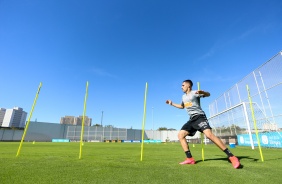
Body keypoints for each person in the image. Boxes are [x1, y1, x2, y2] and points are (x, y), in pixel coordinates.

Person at [166, 79, 240, 169]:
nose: (181, 87)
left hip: (200, 117)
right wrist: (171, 103)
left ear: (188, 86)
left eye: (183, 85)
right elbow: (182, 106)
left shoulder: (194, 93)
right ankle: (190, 158)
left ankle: (232, 156)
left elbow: (208, 94)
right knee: (180, 135)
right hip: (192, 119)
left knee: (209, 135)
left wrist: (204, 93)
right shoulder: (183, 97)